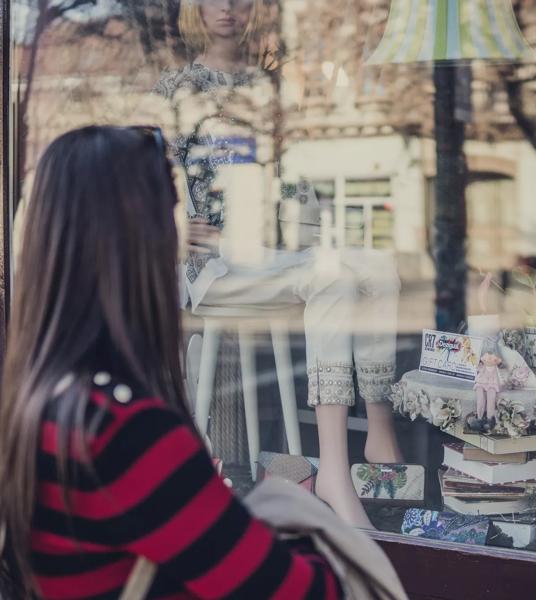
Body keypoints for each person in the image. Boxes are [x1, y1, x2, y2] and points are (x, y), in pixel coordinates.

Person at [0, 126, 343, 599]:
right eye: (175, 212)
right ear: (139, 240)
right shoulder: (128, 432)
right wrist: (296, 511)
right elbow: (306, 593)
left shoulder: (44, 400)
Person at [152, 0, 403, 528]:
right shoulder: (176, 88)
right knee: (332, 276)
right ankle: (333, 472)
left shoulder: (269, 88)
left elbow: (294, 178)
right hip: (217, 268)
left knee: (380, 267)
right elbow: (152, 177)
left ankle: (380, 426)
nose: (227, 10)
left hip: (275, 249)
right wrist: (172, 228)